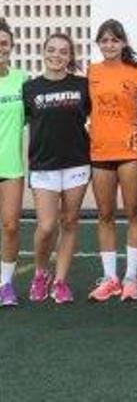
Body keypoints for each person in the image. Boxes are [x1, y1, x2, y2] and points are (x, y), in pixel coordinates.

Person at [23, 33, 91, 304]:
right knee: (47, 225)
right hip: (43, 165)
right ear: (43, 52)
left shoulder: (83, 86)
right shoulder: (30, 88)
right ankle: (41, 273)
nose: (57, 55)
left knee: (70, 222)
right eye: (52, 50)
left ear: (70, 56)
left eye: (64, 51)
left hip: (76, 162)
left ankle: (60, 281)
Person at [86, 19, 137, 302]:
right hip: (100, 150)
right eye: (104, 40)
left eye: (114, 40)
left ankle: (131, 278)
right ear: (99, 44)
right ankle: (110, 278)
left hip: (130, 151)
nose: (109, 45)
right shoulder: (92, 71)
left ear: (123, 42)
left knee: (133, 212)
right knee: (105, 214)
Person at [0, 18, 26, 306]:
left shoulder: (22, 79)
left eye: (4, 43)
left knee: (10, 226)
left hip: (11, 168)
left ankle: (5, 284)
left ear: (11, 47)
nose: (0, 48)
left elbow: (35, 116)